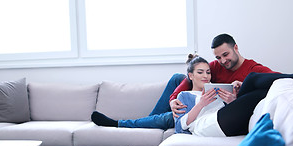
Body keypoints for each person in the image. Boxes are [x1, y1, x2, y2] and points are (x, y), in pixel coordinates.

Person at [91, 33, 277, 129]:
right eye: (218, 57)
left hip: (214, 113)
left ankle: (141, 123)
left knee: (165, 119)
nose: (222, 61)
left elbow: (279, 82)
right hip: (196, 106)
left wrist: (244, 88)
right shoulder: (215, 67)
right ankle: (147, 123)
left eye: (226, 55)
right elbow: (195, 74)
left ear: (236, 48)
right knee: (178, 79)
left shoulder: (255, 70)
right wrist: (173, 100)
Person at [176, 55, 293, 137]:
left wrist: (232, 100)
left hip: (228, 118)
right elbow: (180, 127)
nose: (206, 76)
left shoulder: (215, 89)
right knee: (252, 80)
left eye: (208, 72)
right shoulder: (185, 95)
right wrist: (200, 104)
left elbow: (233, 109)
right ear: (190, 75)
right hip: (210, 126)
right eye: (200, 72)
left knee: (260, 89)